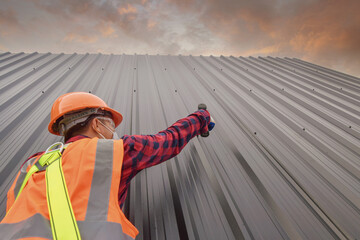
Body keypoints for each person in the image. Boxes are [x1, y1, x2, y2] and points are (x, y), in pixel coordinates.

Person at [0, 92, 215, 240]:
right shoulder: (107, 153)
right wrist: (201, 117)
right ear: (96, 124)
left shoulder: (30, 168)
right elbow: (167, 141)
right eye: (110, 124)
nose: (113, 131)